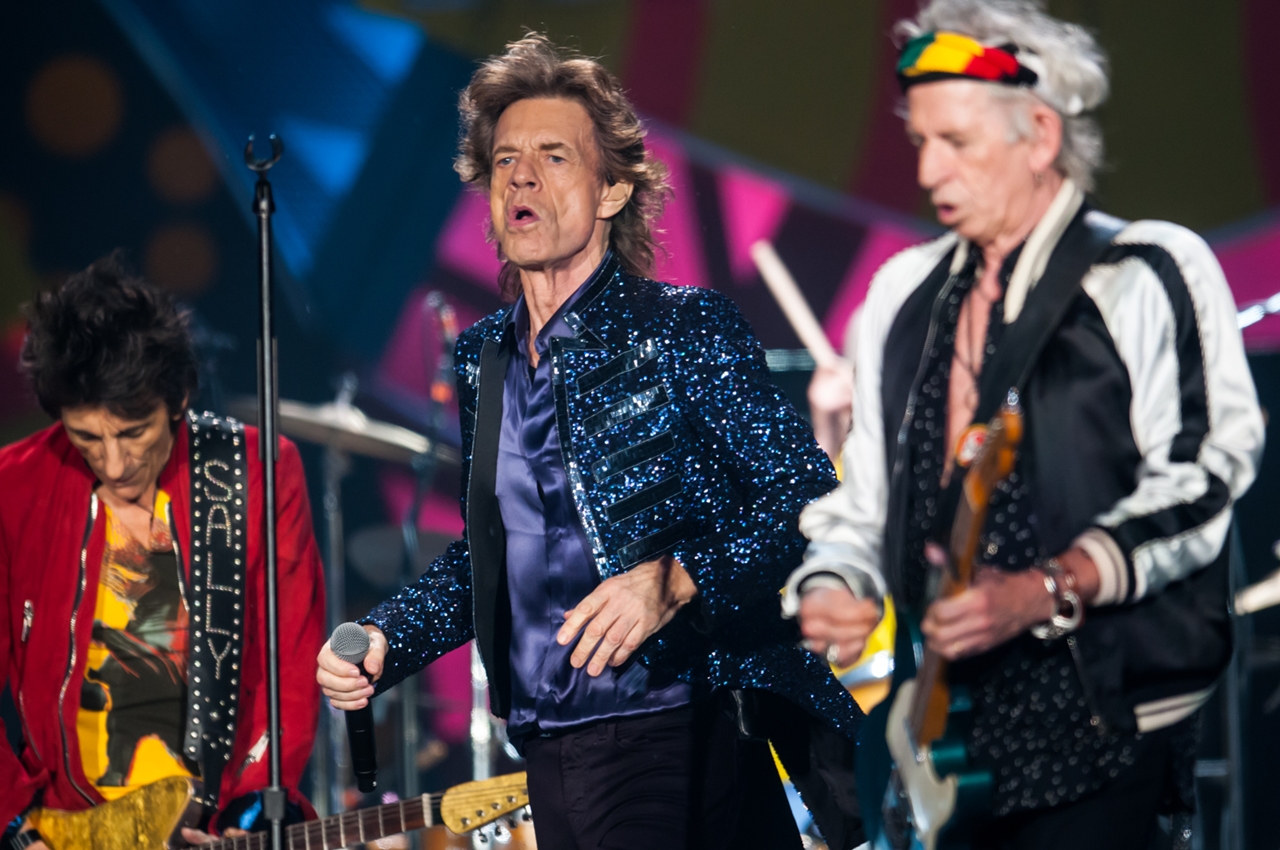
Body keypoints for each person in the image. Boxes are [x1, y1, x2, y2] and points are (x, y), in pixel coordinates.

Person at [317, 33, 864, 850]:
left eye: (553, 157)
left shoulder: (682, 329)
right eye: (505, 161)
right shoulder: (484, 358)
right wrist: (391, 636)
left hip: (674, 715)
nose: (521, 178)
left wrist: (678, 578)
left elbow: (805, 497)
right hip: (549, 740)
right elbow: (495, 554)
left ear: (612, 191)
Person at [784, 1, 1265, 847]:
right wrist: (834, 582)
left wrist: (1047, 588)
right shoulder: (902, 294)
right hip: (940, 738)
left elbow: (1205, 473)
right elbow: (865, 503)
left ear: (1040, 135)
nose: (929, 171)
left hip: (1104, 729)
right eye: (921, 142)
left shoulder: (1146, 271)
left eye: (957, 142)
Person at [0, 255, 326, 847]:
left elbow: (291, 669)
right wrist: (16, 827)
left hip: (208, 823)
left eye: (133, 433)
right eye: (86, 437)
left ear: (177, 399)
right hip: (62, 824)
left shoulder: (257, 472)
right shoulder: (15, 484)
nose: (114, 463)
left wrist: (245, 816)